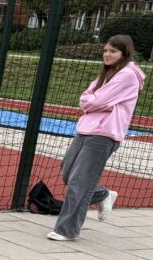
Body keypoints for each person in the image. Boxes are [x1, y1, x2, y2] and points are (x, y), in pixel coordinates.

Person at [48, 35, 145, 242]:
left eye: (113, 51)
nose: (107, 55)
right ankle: (103, 194)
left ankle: (67, 230)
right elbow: (86, 99)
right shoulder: (108, 73)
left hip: (104, 134)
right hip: (86, 129)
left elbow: (96, 100)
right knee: (67, 173)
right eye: (105, 51)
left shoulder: (128, 75)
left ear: (124, 53)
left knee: (79, 183)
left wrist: (96, 102)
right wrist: (97, 103)